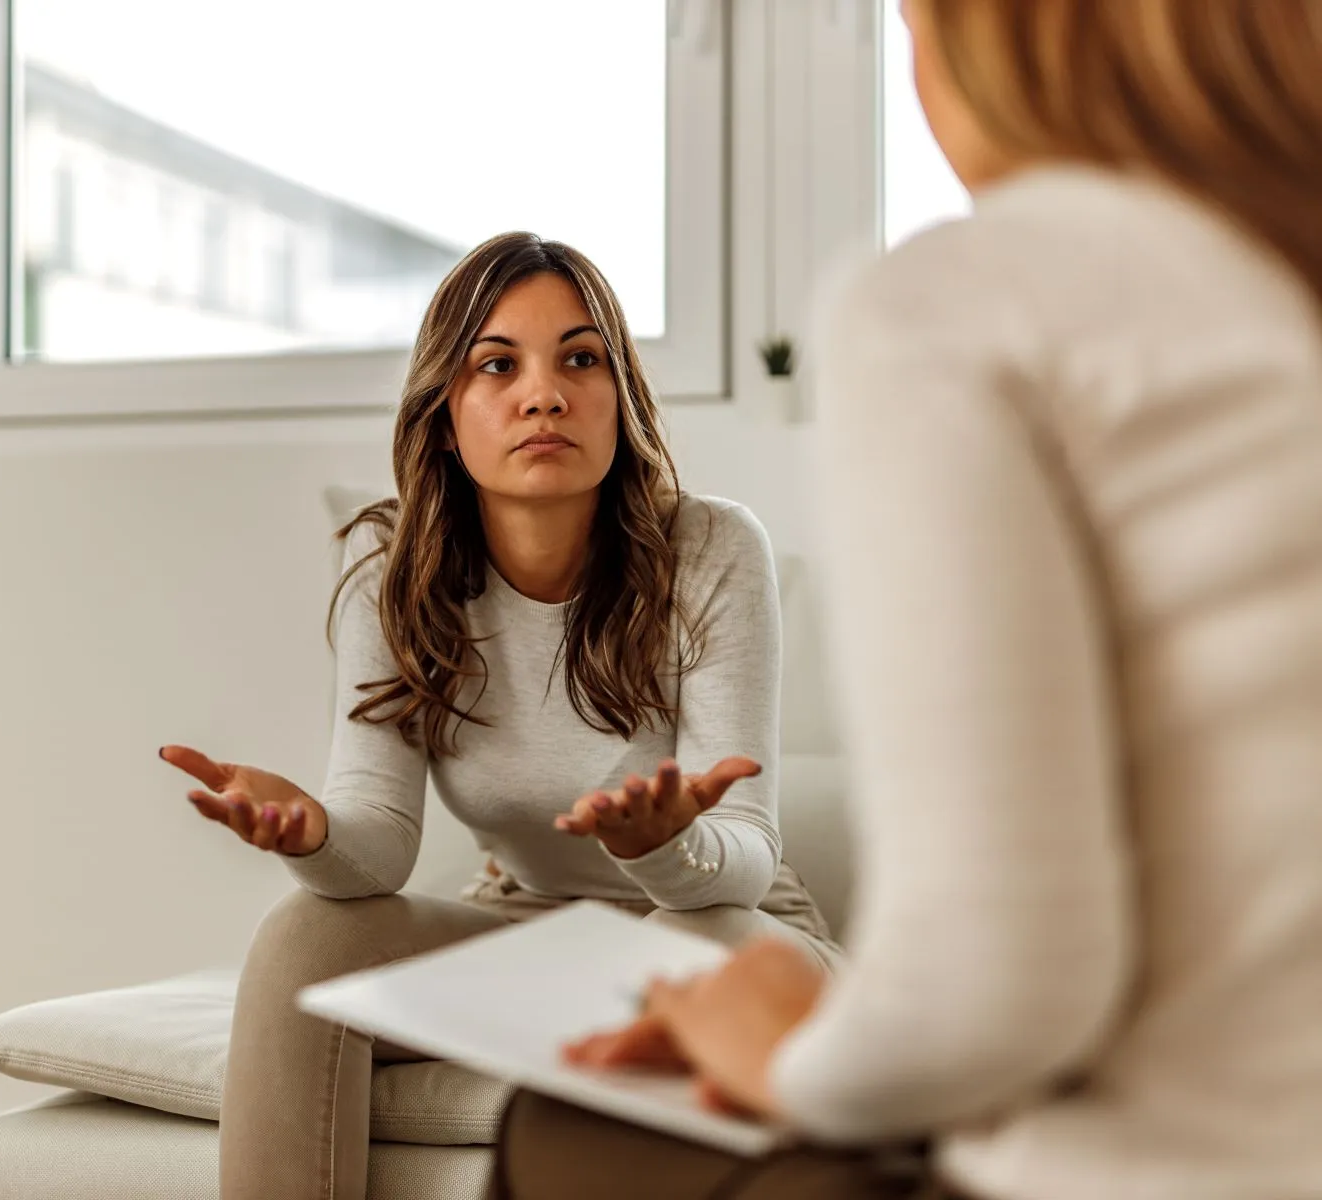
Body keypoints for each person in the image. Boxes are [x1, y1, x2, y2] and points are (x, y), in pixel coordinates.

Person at [487, 1, 1322, 1197]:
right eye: (500, 365)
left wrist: (794, 1044)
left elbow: (1003, 985)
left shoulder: (963, 306)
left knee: (576, 1123)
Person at [159, 230, 839, 1200]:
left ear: (621, 398)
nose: (543, 393)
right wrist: (312, 835)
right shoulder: (391, 575)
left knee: (690, 955)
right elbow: (379, 846)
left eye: (580, 358)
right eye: (496, 365)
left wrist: (662, 849)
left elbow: (743, 855)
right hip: (531, 927)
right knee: (303, 936)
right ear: (444, 413)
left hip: (725, 925)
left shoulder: (713, 551)